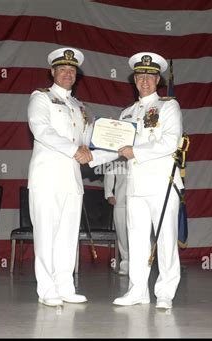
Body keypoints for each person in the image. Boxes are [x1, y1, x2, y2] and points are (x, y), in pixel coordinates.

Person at [90, 52, 184, 309]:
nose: (144, 80)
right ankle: (137, 291)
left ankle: (165, 292)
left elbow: (170, 142)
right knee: (136, 239)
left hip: (162, 183)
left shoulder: (168, 106)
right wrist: (89, 157)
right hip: (134, 185)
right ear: (134, 80)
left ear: (158, 79)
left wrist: (137, 151)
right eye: (140, 75)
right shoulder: (127, 112)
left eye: (150, 75)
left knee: (165, 238)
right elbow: (114, 148)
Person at [27, 47, 94, 307]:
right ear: (52, 72)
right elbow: (41, 130)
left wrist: (116, 140)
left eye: (72, 70)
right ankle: (46, 288)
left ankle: (65, 286)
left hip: (72, 180)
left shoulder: (79, 107)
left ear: (76, 75)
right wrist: (74, 149)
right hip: (47, 177)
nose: (68, 73)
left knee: (68, 235)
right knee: (46, 233)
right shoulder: (40, 98)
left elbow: (88, 140)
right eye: (62, 69)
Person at [104, 164, 129, 275]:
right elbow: (109, 171)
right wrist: (109, 193)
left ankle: (141, 265)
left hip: (140, 198)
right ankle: (125, 264)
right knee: (122, 236)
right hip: (120, 199)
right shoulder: (119, 154)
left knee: (141, 235)